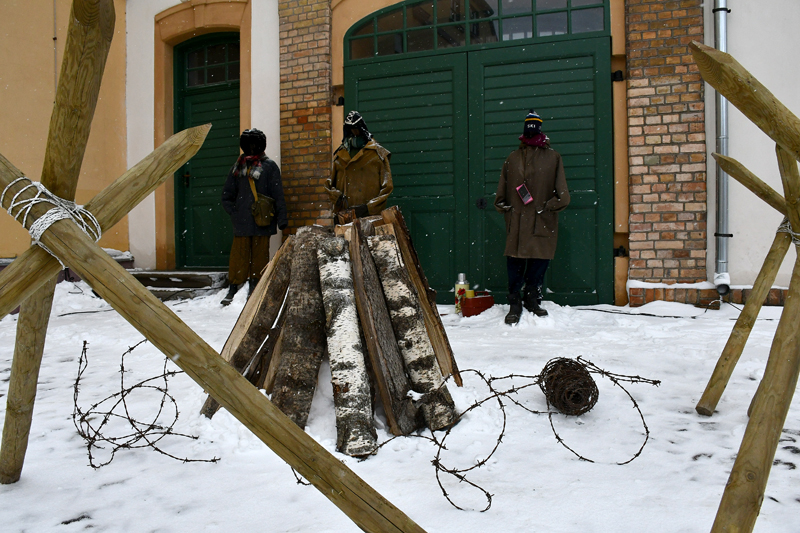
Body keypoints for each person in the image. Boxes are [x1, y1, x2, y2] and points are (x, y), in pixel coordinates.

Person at [494, 110, 570, 325]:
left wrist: (547, 208)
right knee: (514, 263)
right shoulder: (513, 158)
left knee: (539, 262)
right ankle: (514, 301)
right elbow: (502, 191)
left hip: (541, 220)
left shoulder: (553, 157)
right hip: (517, 220)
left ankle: (532, 298)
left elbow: (563, 195)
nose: (531, 131)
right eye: (528, 127)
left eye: (534, 127)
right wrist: (505, 208)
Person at [220, 128, 288, 306]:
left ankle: (256, 286)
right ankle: (234, 286)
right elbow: (227, 195)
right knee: (238, 257)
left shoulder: (269, 167)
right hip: (242, 221)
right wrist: (235, 213)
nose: (251, 147)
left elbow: (278, 194)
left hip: (262, 220)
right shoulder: (238, 167)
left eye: (254, 143)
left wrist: (282, 218)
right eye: (248, 143)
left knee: (260, 257)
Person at [325, 111, 393, 221]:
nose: (354, 131)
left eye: (356, 128)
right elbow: (329, 184)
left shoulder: (377, 153)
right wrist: (336, 198)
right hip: (344, 215)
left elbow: (387, 186)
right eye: (350, 128)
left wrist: (369, 207)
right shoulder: (341, 154)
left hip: (369, 217)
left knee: (366, 238)